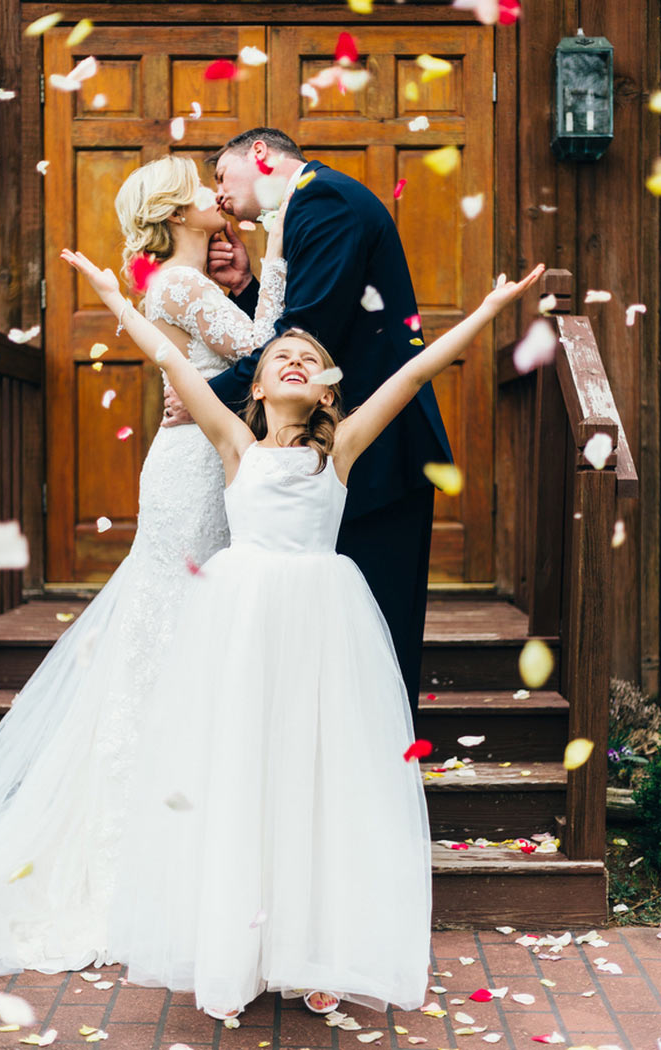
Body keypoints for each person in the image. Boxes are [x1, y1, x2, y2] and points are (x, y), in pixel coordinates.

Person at [61, 243, 543, 1021]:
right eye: (279, 355)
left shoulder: (341, 449)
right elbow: (165, 354)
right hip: (242, 627)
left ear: (326, 386)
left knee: (317, 777)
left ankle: (316, 945)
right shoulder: (233, 443)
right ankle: (238, 948)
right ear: (254, 382)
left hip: (322, 626)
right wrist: (110, 294)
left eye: (307, 357)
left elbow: (415, 375)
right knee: (243, 773)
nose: (293, 361)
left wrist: (488, 313)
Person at [0, 154, 287, 979]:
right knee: (174, 629)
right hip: (195, 471)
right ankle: (143, 847)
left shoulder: (178, 280)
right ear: (178, 211)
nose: (218, 199)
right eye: (201, 191)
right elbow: (263, 346)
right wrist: (278, 252)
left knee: (179, 629)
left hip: (201, 458)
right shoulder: (179, 285)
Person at [205, 127, 453, 717]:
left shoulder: (324, 199)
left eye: (221, 176)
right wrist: (246, 287)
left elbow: (309, 331)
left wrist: (207, 400)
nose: (218, 196)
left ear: (259, 155)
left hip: (376, 452)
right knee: (335, 637)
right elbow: (308, 330)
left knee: (378, 633)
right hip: (338, 454)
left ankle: (379, 777)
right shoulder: (316, 203)